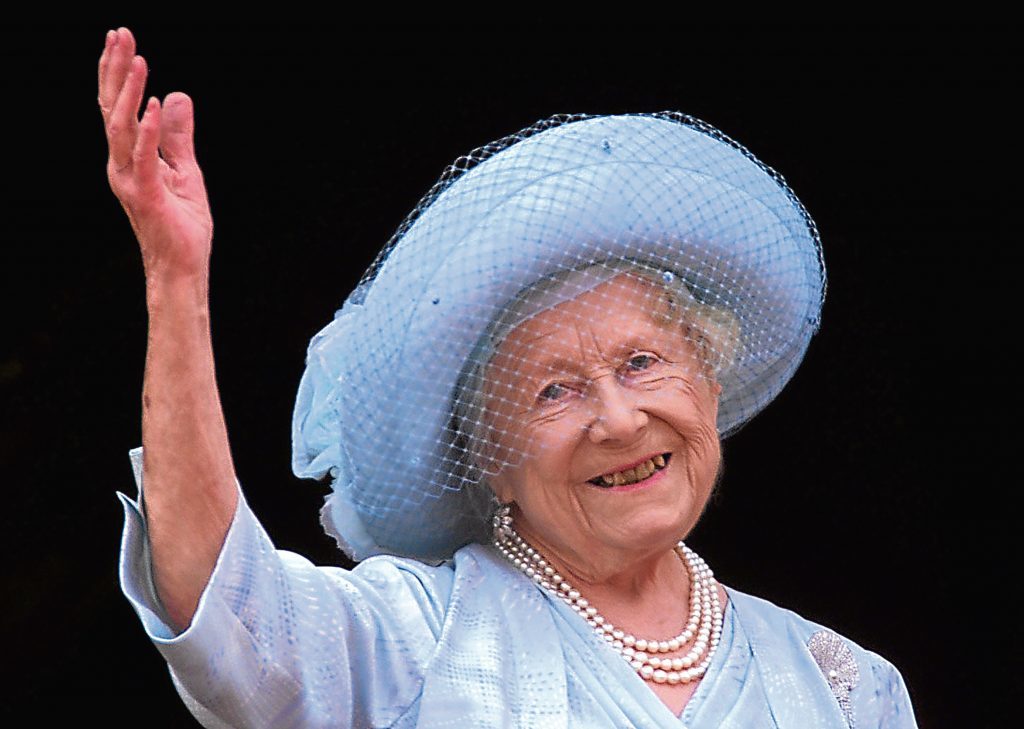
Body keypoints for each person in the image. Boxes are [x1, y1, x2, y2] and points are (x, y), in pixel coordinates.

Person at [100, 27, 919, 728]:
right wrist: (176, 286)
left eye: (642, 363)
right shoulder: (421, 634)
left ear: (706, 380)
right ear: (488, 457)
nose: (621, 419)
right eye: (553, 390)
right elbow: (230, 615)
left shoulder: (846, 689)